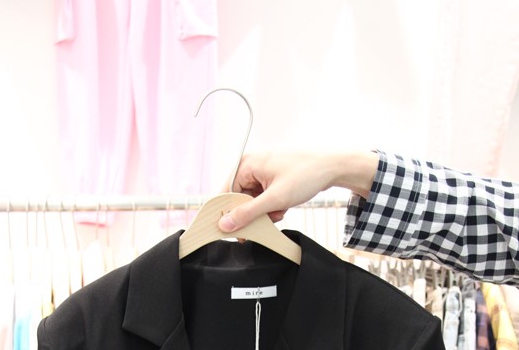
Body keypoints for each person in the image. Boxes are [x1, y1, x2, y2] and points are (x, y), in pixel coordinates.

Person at [217, 151, 519, 284]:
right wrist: (335, 168)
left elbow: (490, 225)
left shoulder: (392, 329)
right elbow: (493, 223)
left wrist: (336, 168)